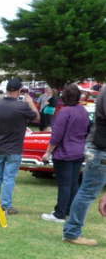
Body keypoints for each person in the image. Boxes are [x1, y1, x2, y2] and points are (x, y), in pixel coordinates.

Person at [40, 84, 91, 223]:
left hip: (65, 153)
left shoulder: (64, 112)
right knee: (73, 183)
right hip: (79, 151)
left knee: (64, 184)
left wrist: (48, 152)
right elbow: (88, 130)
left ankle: (59, 214)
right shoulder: (83, 111)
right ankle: (68, 210)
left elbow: (57, 135)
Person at [62, 86, 106, 245]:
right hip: (100, 149)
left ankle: (72, 232)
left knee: (86, 191)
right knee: (87, 192)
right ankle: (72, 232)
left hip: (98, 148)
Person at [0, 77, 39, 214]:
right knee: (9, 178)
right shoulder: (21, 106)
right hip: (14, 148)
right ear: (19, 91)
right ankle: (6, 205)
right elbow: (37, 117)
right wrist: (30, 103)